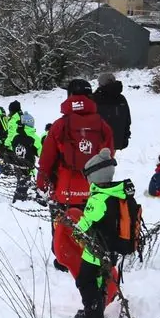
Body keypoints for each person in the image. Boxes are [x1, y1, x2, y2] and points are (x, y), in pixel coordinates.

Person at [37, 79, 115, 275]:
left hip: (64, 190)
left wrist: (42, 182)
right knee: (91, 222)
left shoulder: (59, 125)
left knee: (62, 224)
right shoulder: (103, 126)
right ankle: (92, 257)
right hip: (93, 190)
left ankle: (64, 259)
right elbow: (109, 156)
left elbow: (46, 159)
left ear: (69, 96)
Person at [72, 149, 137, 318]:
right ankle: (96, 309)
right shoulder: (116, 193)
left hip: (96, 248)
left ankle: (93, 316)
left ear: (94, 176)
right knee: (100, 279)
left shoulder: (98, 199)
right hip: (112, 246)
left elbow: (86, 221)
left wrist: (76, 230)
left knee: (85, 280)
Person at [2, 100, 42, 201]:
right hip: (28, 164)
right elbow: (41, 152)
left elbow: (11, 140)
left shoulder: (16, 136)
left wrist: (7, 149)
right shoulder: (33, 137)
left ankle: (20, 197)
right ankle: (23, 198)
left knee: (21, 179)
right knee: (27, 180)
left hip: (17, 161)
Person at [93, 72, 132, 151]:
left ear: (101, 84)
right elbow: (127, 120)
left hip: (98, 141)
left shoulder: (95, 98)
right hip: (117, 141)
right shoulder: (121, 99)